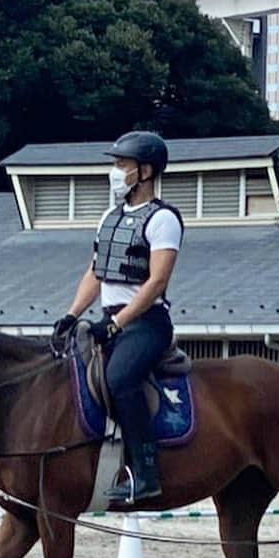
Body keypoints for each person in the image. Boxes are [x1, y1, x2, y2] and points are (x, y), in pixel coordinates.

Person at [50, 131, 183, 506]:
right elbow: (95, 272)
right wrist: (71, 313)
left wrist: (117, 323)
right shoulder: (109, 217)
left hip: (146, 324)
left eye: (122, 165)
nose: (115, 171)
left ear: (145, 171)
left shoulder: (162, 220)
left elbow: (156, 281)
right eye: (115, 164)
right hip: (109, 320)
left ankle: (145, 473)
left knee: (120, 378)